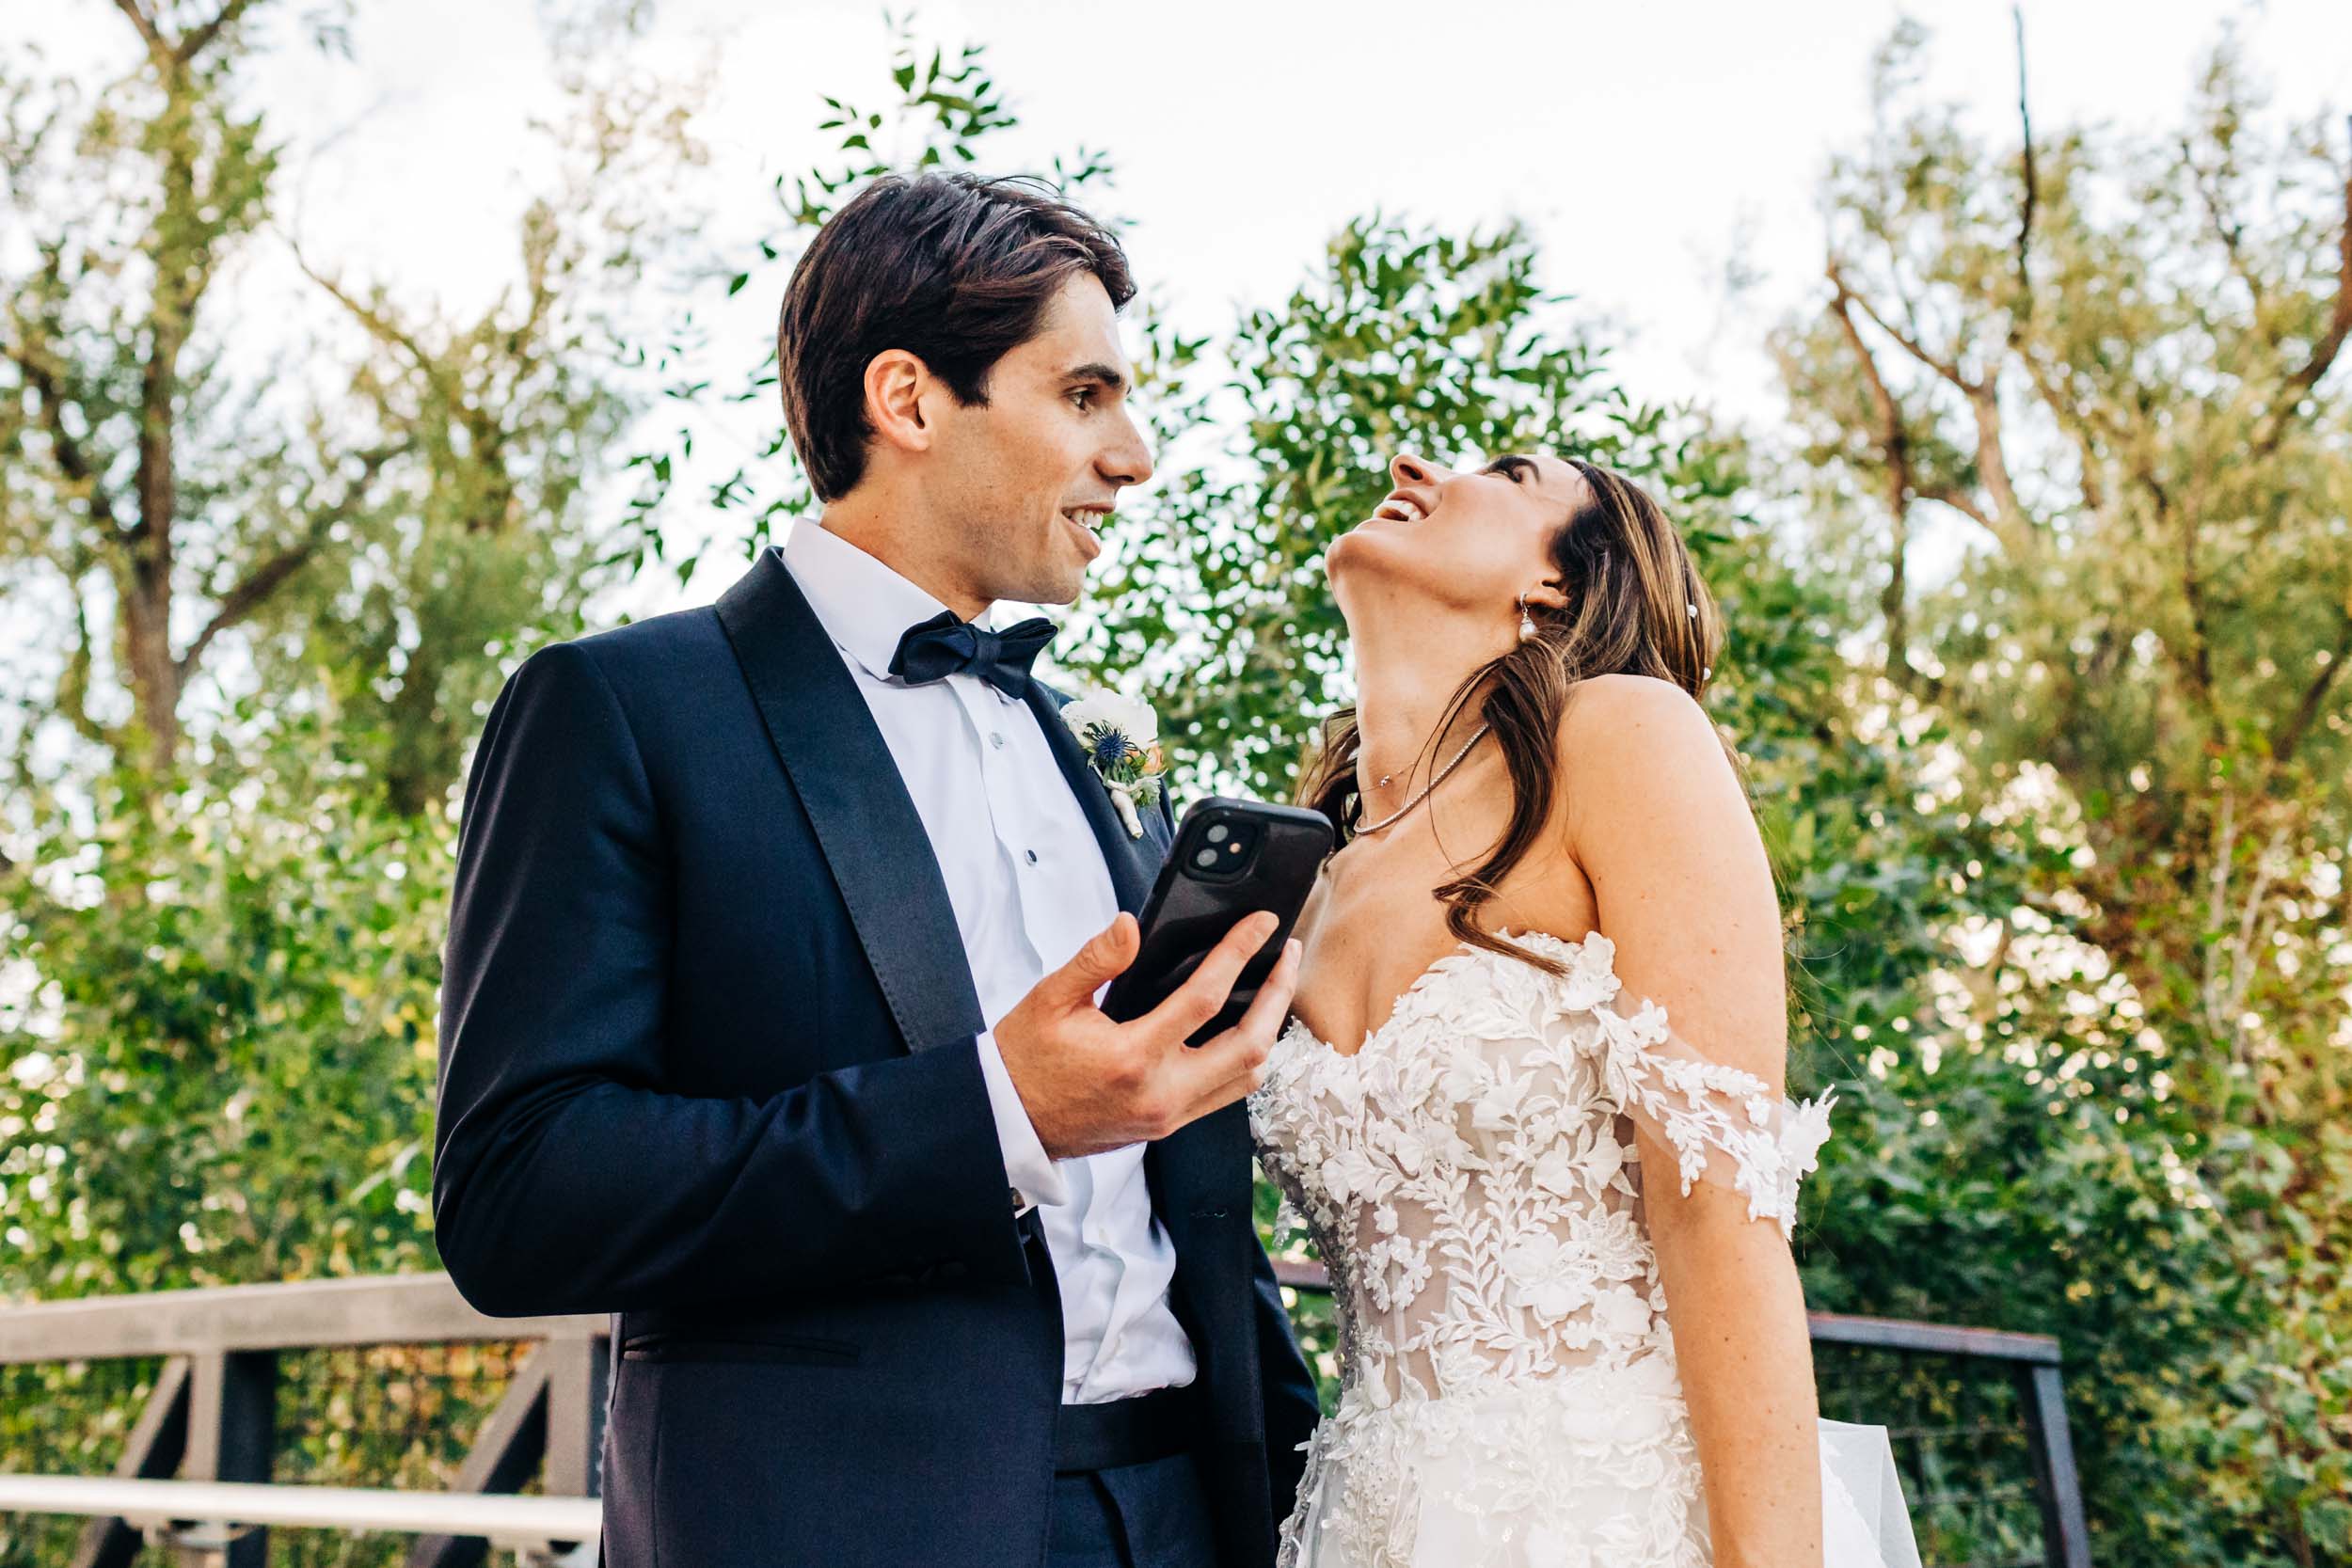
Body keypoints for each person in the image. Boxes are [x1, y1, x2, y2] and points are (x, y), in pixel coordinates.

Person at [432, 170, 1322, 1568]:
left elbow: (1188, 1194)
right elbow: (521, 1194)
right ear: (907, 400)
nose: (1134, 455)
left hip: (1187, 1516)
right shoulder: (623, 708)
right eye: (1083, 396)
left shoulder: (1094, 737)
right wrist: (995, 1112)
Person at [1248, 451, 1923, 1567]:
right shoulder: (1309, 874)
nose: (1411, 464)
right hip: (1369, 1521)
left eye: (1510, 473)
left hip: (1615, 1513)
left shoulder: (1618, 736)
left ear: (1555, 582)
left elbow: (1719, 1208)